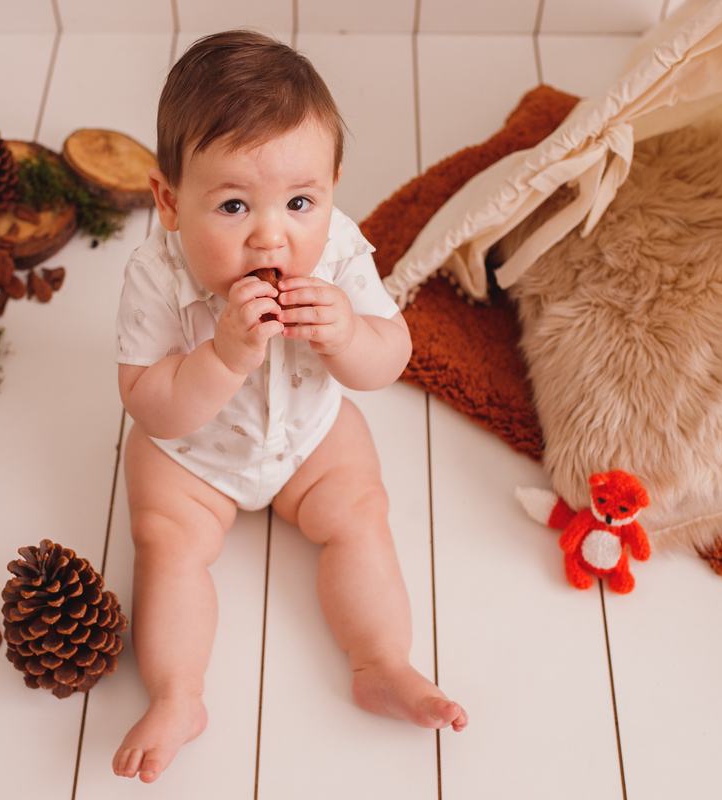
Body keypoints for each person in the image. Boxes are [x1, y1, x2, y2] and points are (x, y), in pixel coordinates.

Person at [113, 29, 467, 784]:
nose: (273, 233)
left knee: (362, 511)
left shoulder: (337, 251)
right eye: (235, 205)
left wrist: (346, 333)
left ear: (334, 186)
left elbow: (389, 356)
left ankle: (381, 663)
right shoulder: (154, 273)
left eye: (301, 201)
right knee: (165, 543)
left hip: (309, 439)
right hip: (192, 457)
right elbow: (148, 404)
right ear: (170, 202)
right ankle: (179, 694)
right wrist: (222, 357)